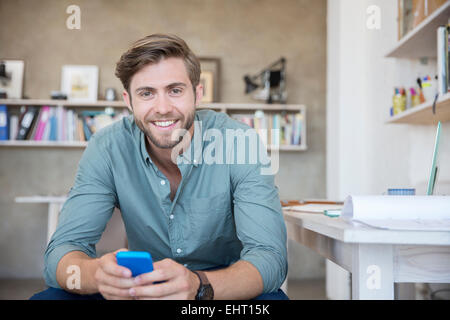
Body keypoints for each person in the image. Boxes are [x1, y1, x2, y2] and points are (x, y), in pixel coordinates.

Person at [31, 34, 288, 300]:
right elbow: (62, 252)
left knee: (270, 300)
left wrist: (197, 285)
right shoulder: (107, 148)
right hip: (140, 284)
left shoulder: (240, 143)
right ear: (128, 101)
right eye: (146, 93)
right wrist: (95, 273)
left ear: (197, 94)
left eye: (175, 90)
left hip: (217, 286)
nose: (163, 108)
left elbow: (270, 258)